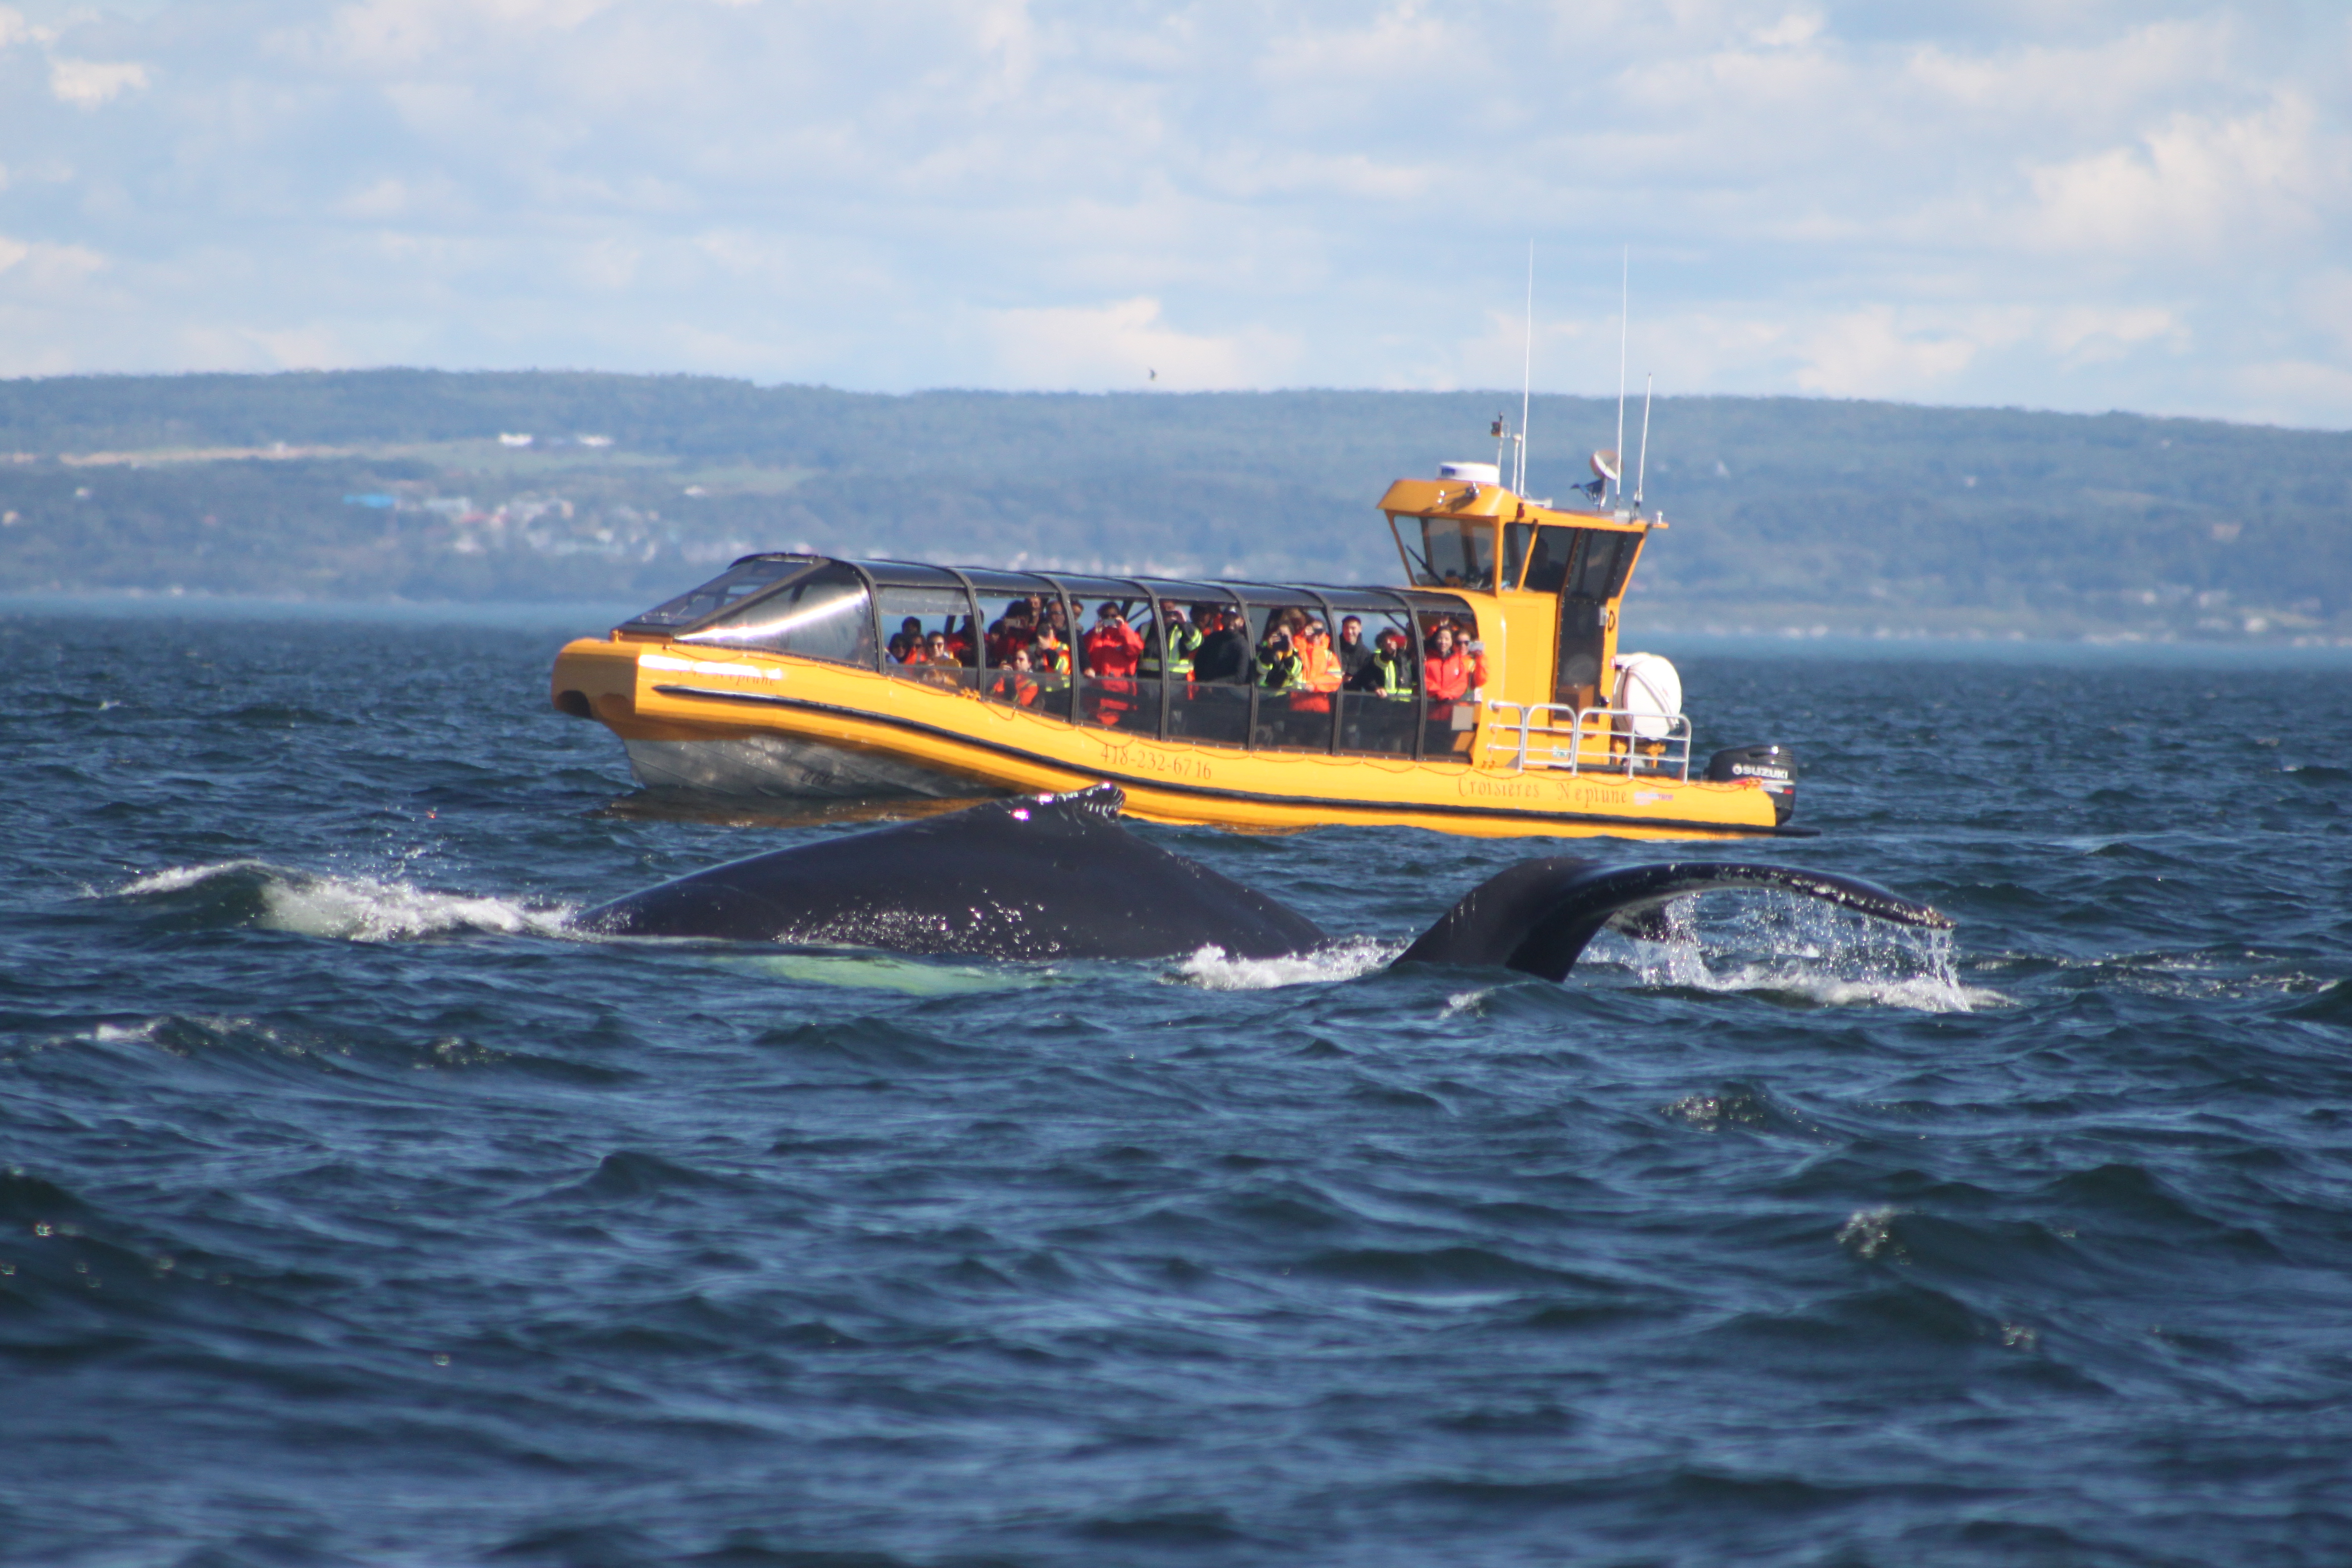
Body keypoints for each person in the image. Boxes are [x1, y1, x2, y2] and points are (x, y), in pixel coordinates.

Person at [1422, 622, 1488, 751]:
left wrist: (1481, 657)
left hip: (1464, 708)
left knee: (1456, 747)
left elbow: (1481, 680)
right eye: (1459, 643)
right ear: (1454, 644)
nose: (1463, 646)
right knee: (1434, 742)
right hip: (1441, 706)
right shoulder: (1449, 659)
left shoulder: (1474, 661)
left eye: (1467, 643)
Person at [1081, 602, 1144, 725]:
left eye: (1113, 616)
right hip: (1097, 694)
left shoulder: (1126, 635)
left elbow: (1135, 649)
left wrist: (1124, 628)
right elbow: (1083, 653)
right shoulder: (1094, 635)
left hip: (1121, 696)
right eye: (1106, 616)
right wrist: (1096, 634)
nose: (1110, 619)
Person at [1140, 600, 1200, 684]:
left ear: (1175, 610)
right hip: (1147, 681)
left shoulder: (1183, 628)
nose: (1165, 612)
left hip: (1176, 682)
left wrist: (1184, 624)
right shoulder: (1144, 628)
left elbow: (1196, 644)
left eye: (1169, 609)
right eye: (1161, 609)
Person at [1293, 619, 1343, 714]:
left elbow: (1336, 679)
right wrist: (1303, 635)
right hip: (1297, 706)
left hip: (1319, 707)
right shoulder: (1301, 651)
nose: (1316, 634)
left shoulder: (1329, 656)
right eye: (1313, 630)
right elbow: (1295, 647)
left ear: (1324, 634)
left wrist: (1314, 685)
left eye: (1319, 631)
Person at [1193, 608, 1248, 684]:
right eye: (1228, 618)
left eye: (1235, 619)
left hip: (1229, 694)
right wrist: (1204, 684)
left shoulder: (1243, 645)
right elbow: (1199, 662)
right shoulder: (1212, 639)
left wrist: (1214, 685)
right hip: (1205, 692)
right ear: (1222, 620)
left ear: (1242, 622)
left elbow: (1240, 678)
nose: (1231, 622)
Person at [987, 644, 1041, 708]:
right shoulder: (1006, 676)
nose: (1017, 662)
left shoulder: (1032, 684)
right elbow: (989, 692)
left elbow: (1018, 704)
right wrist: (998, 673)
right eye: (1016, 659)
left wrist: (1009, 680)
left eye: (1021, 660)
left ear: (1029, 664)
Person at [1335, 615, 1372, 686]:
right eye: (1346, 628)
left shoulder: (1365, 653)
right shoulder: (1333, 648)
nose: (1349, 632)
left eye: (1353, 628)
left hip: (1355, 695)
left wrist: (1354, 679)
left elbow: (1368, 679)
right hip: (1332, 693)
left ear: (1360, 629)